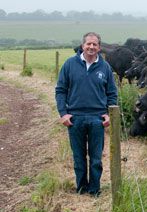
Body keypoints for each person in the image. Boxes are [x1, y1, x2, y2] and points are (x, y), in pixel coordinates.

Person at [55, 32, 118, 197]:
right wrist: (63, 113)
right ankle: (81, 188)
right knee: (79, 158)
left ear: (99, 47)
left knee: (96, 159)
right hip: (75, 118)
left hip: (97, 119)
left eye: (94, 44)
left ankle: (94, 190)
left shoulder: (105, 68)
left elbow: (112, 93)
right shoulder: (69, 64)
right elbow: (60, 90)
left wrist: (109, 114)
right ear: (82, 45)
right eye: (88, 44)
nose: (91, 47)